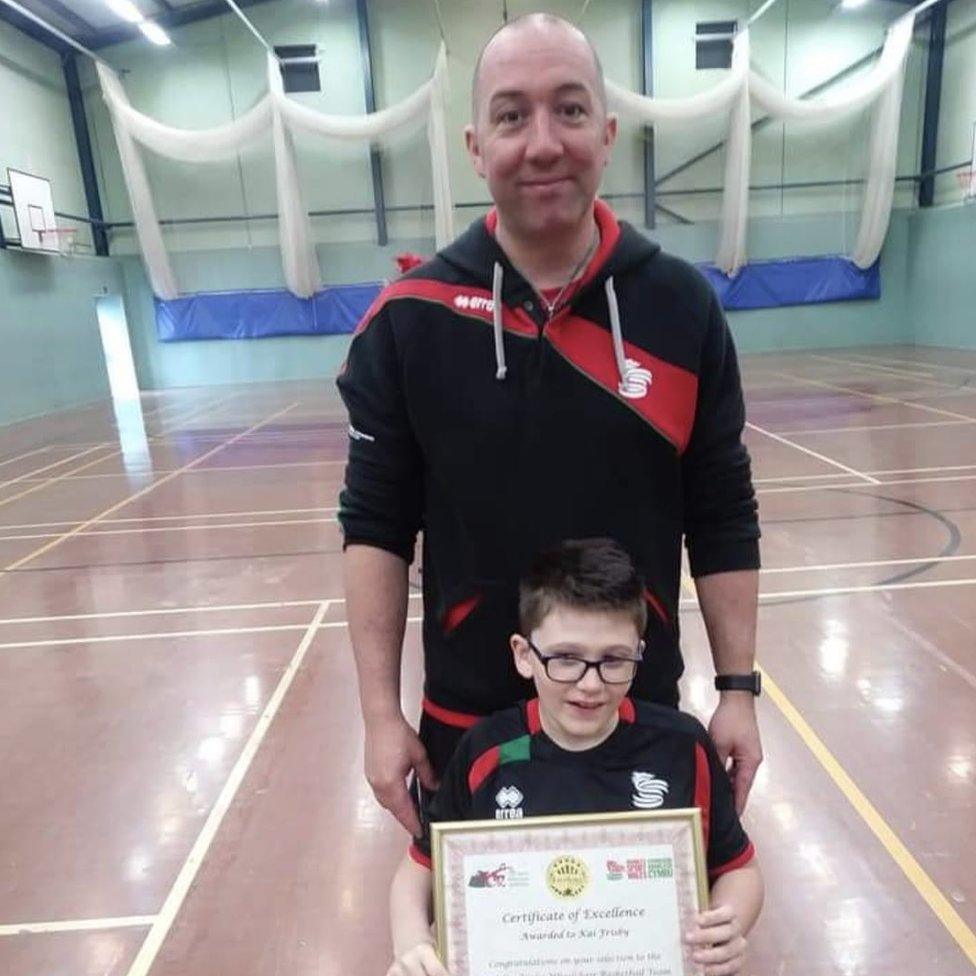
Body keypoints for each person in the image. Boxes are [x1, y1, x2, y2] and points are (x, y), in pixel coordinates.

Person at [337, 13, 762, 840]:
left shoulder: (680, 307)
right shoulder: (407, 320)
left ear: (606, 134)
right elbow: (374, 530)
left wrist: (738, 688)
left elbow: (722, 513)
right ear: (474, 145)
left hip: (633, 708)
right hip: (466, 720)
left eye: (569, 111)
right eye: (511, 115)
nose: (542, 143)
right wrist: (378, 716)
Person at [386, 539, 764, 976]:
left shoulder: (681, 748)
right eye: (565, 658)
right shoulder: (486, 752)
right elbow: (418, 871)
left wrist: (729, 926)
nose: (590, 684)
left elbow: (741, 869)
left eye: (614, 660)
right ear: (524, 655)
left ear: (639, 653)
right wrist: (411, 942)